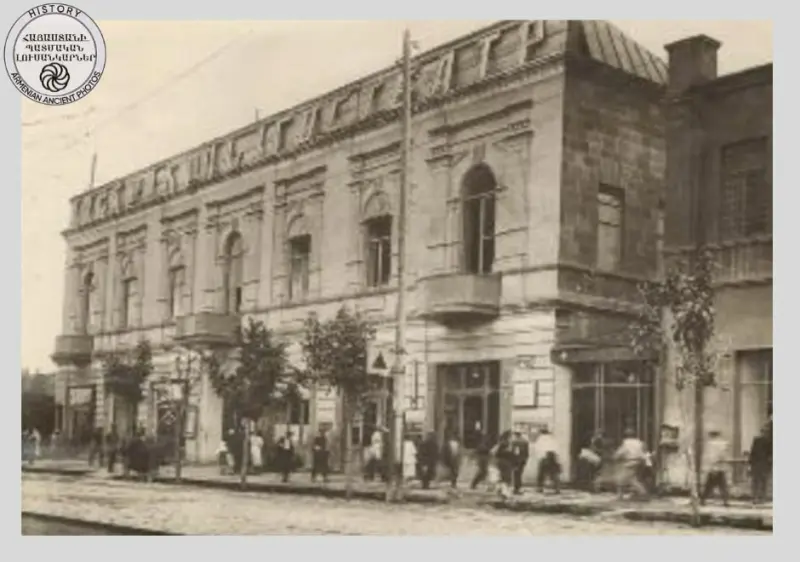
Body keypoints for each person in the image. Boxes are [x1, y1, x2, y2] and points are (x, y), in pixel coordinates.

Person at [613, 428, 648, 500]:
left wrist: (615, 456)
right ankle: (621, 495)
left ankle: (643, 493)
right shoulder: (639, 442)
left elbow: (621, 452)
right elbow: (644, 451)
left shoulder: (626, 443)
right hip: (639, 461)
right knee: (631, 478)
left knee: (623, 479)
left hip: (630, 462)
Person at [700, 430, 730, 507]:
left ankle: (703, 500)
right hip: (720, 467)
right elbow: (723, 455)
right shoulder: (723, 443)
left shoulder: (710, 444)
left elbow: (710, 457)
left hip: (713, 467)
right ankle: (725, 501)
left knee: (709, 485)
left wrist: (710, 467)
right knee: (722, 485)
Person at [749, 424, 772, 504]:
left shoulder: (770, 441)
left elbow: (771, 454)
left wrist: (769, 463)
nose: (764, 433)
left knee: (763, 482)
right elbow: (752, 452)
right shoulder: (756, 440)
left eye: (765, 431)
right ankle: (754, 497)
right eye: (763, 431)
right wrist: (750, 464)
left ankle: (762, 498)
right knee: (756, 481)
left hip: (764, 464)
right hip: (756, 464)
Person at [534, 427, 561, 494]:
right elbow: (557, 449)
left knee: (541, 474)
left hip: (544, 457)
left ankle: (539, 488)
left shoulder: (540, 439)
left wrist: (539, 457)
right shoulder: (553, 438)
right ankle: (557, 488)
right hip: (553, 456)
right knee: (554, 474)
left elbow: (537, 449)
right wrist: (557, 459)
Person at [494, 431, 516, 498]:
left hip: (501, 461)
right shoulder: (506, 444)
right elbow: (510, 454)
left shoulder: (501, 443)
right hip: (505, 462)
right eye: (511, 436)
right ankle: (505, 492)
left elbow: (496, 453)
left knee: (503, 477)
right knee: (506, 477)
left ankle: (500, 490)